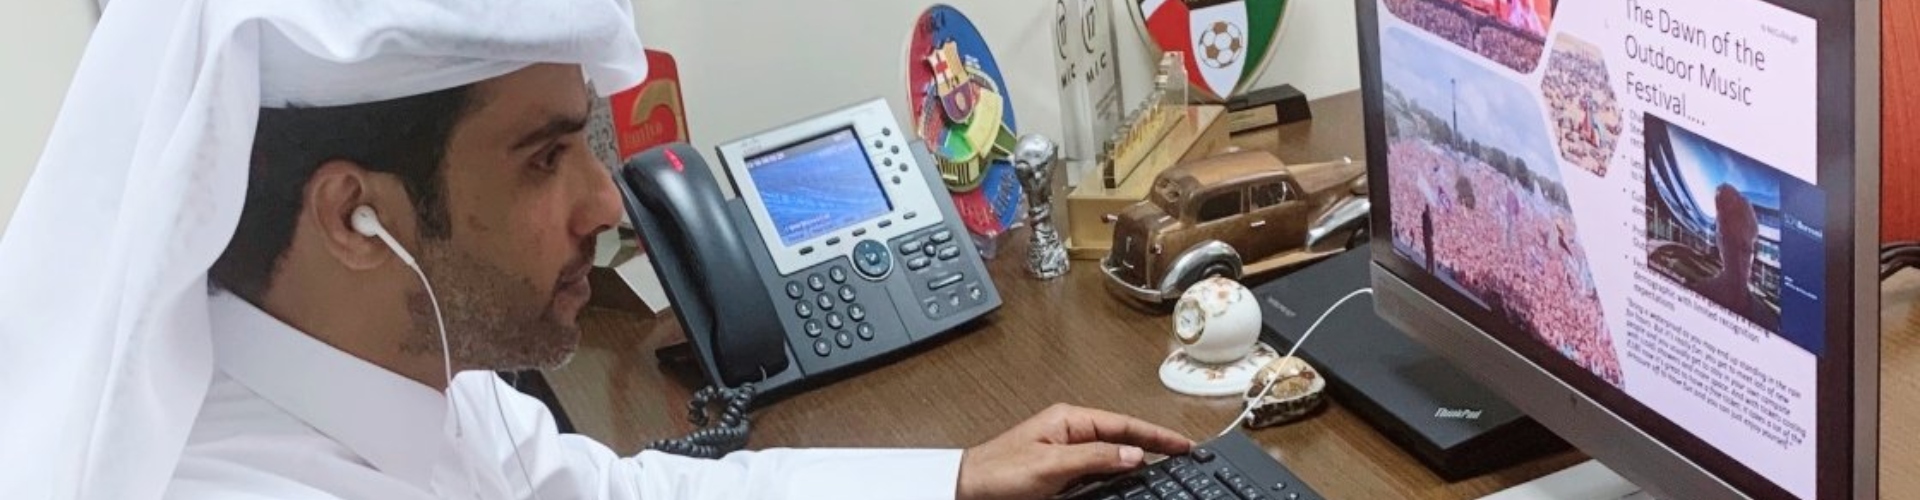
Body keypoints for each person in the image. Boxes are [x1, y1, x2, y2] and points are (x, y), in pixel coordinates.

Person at [0, 1, 1189, 499]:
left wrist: (950, 475)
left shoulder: (398, 367)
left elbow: (614, 490)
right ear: (353, 218)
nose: (605, 204)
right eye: (542, 156)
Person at [1694, 184, 1778, 330]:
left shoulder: (1768, 321)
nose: (1739, 261)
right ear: (1720, 243)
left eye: (1745, 249)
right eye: (1731, 245)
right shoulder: (1696, 294)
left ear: (1754, 252)